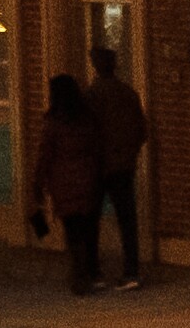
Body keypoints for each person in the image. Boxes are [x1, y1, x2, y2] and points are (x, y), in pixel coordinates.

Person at [32, 72, 110, 295]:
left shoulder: (54, 123)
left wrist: (38, 184)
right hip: (88, 180)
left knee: (73, 230)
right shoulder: (88, 119)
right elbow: (97, 147)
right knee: (89, 229)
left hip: (64, 184)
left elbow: (45, 156)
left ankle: (79, 274)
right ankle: (92, 271)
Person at [85, 54, 153, 288]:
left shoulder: (93, 95)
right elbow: (142, 130)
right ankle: (131, 271)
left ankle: (94, 273)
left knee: (91, 220)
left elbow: (87, 131)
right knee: (127, 220)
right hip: (124, 166)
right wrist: (129, 153)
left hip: (100, 166)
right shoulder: (128, 94)